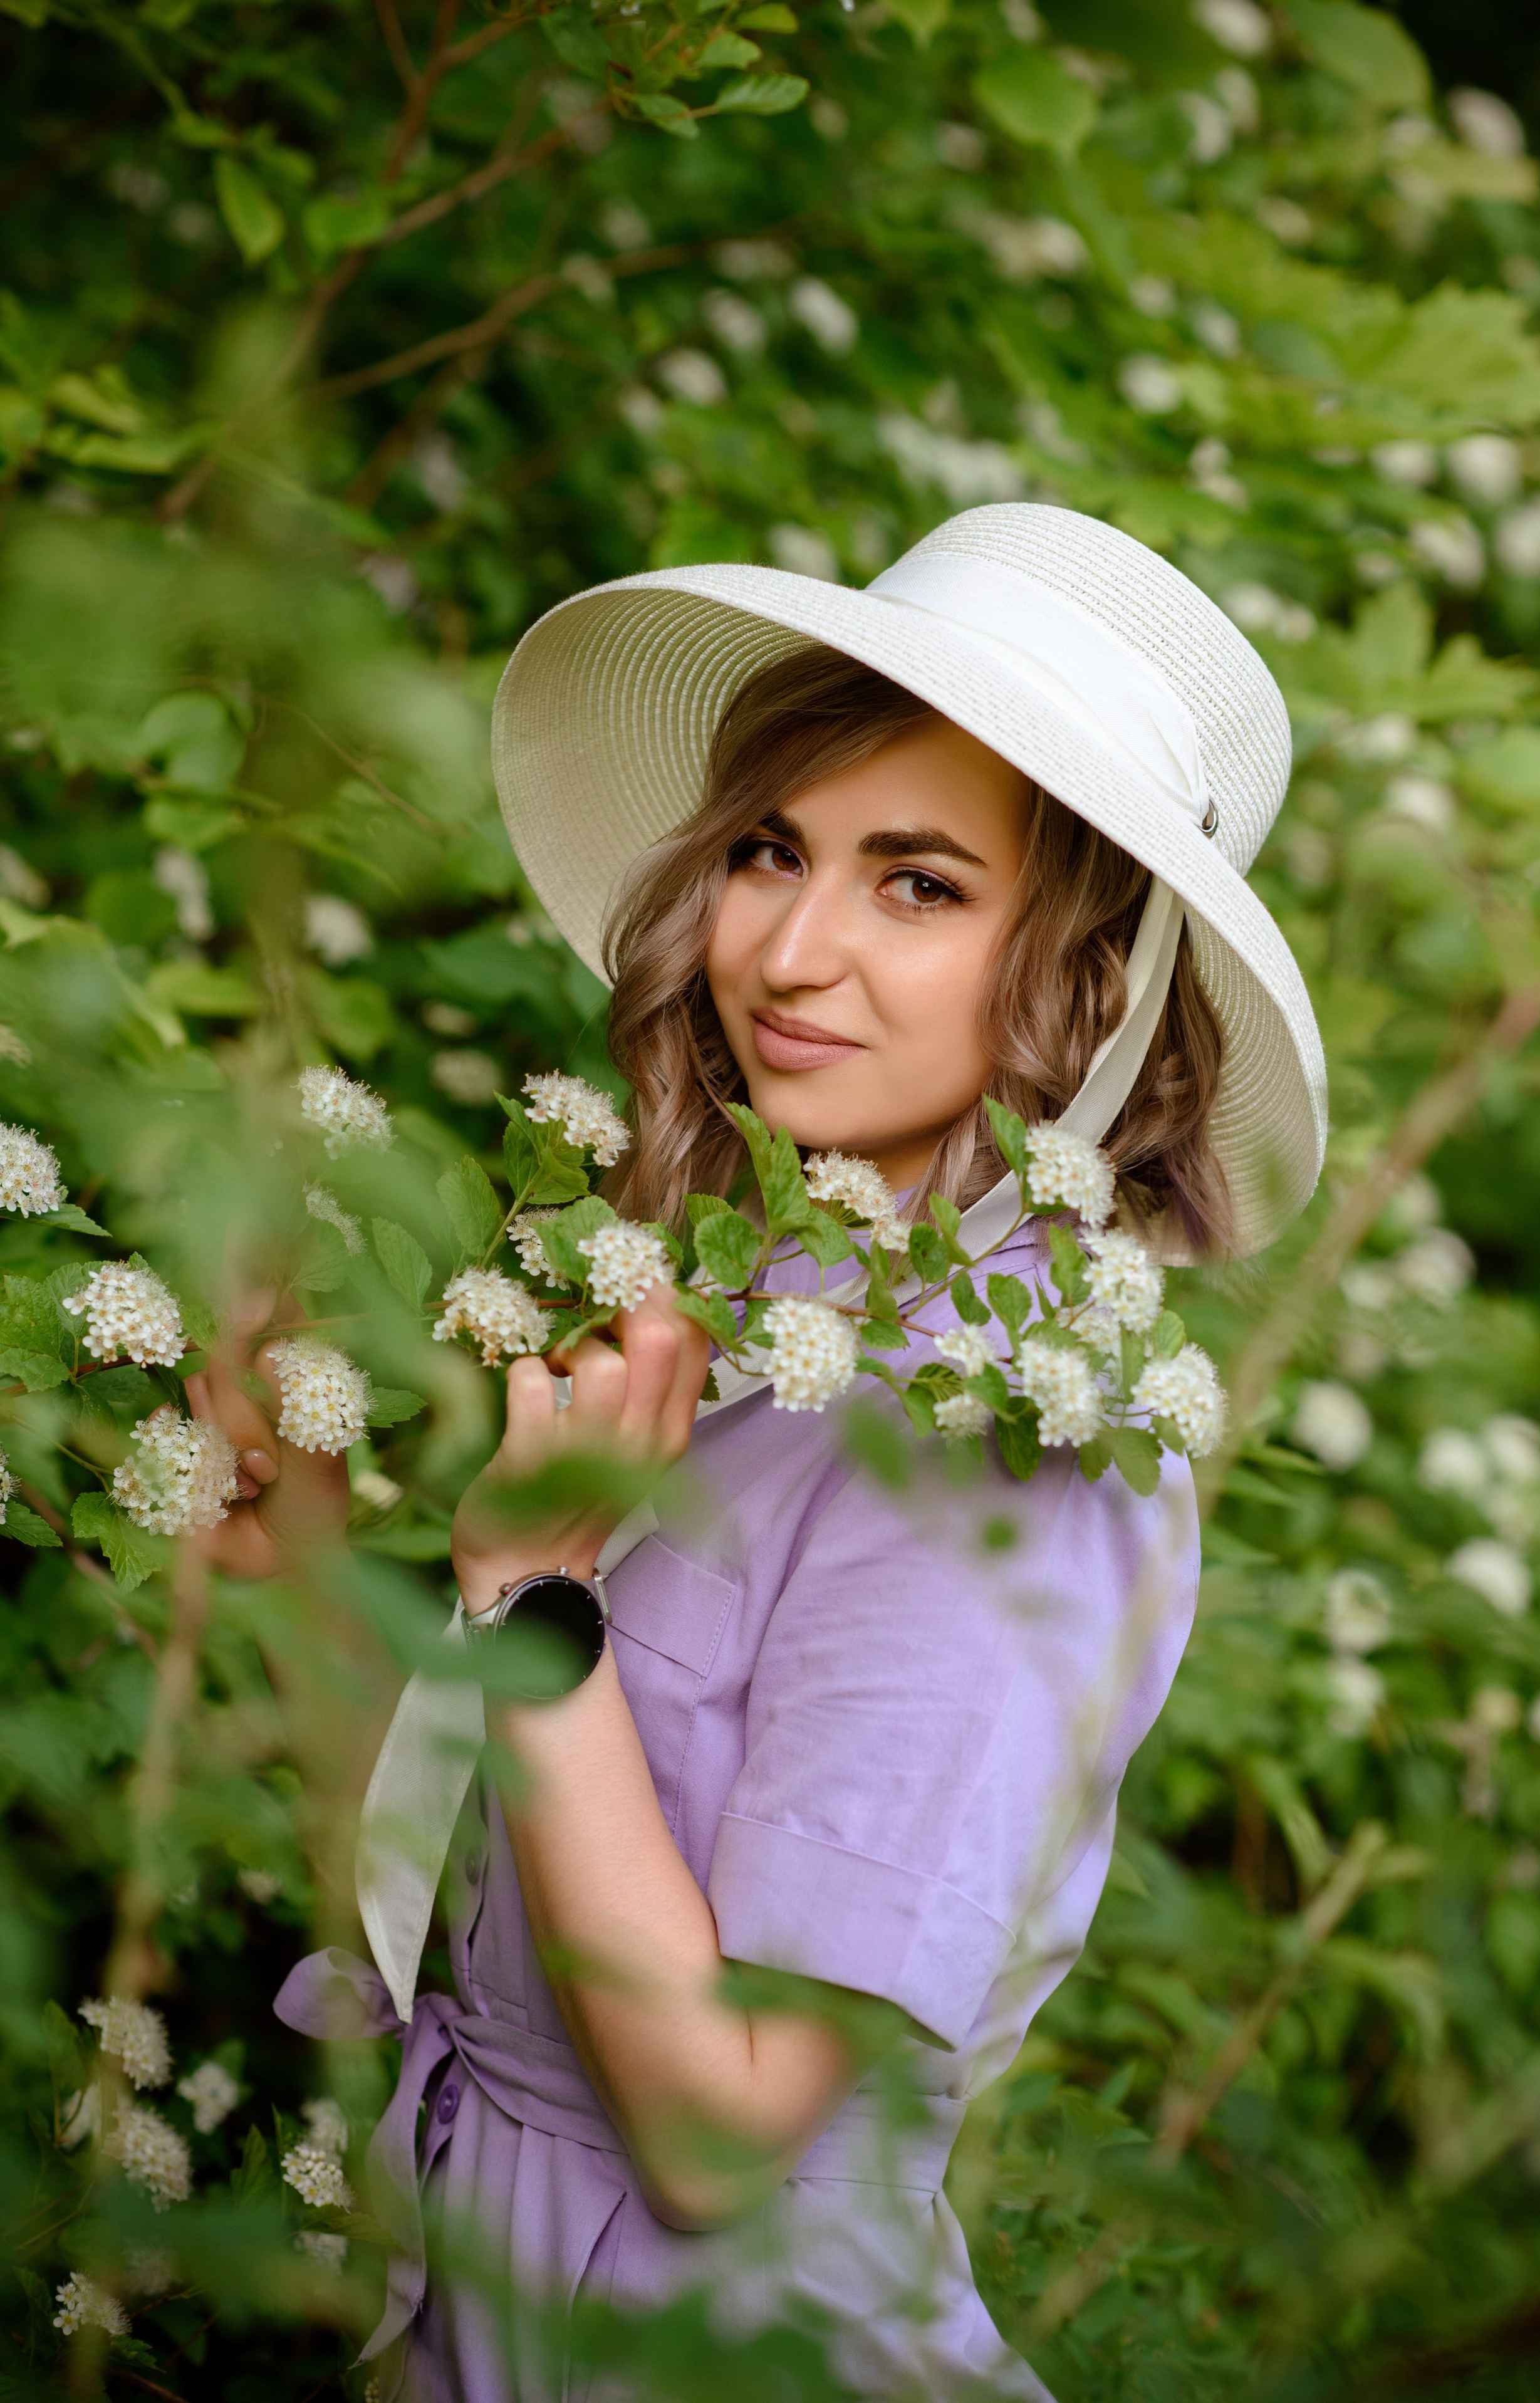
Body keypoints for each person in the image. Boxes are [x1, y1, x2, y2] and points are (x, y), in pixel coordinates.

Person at [211, 503, 1324, 2400]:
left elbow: (720, 2135)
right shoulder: (726, 1311)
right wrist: (301, 1550)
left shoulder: (1013, 1466)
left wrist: (539, 1601)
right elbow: (477, 1929)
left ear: (1092, 977)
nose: (789, 951)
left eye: (919, 884)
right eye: (768, 849)